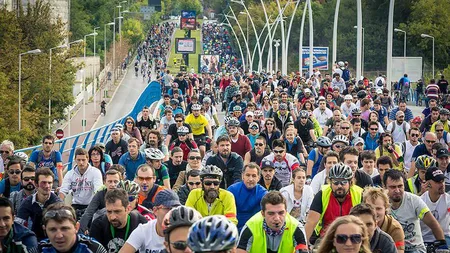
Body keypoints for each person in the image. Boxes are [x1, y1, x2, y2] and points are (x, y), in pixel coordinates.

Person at [383, 169, 448, 252]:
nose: (397, 190)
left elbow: (433, 223)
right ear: (384, 186)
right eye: (392, 187)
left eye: (400, 186)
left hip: (415, 249)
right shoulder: (380, 204)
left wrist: (442, 244)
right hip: (391, 249)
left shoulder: (414, 200)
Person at [305, 163, 363, 244]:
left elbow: (365, 222)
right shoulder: (322, 194)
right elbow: (311, 222)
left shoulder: (360, 194)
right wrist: (303, 245)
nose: (339, 186)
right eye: (335, 182)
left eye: (343, 182)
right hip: (327, 237)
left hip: (352, 238)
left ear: (350, 182)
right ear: (330, 182)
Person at [237, 191, 308, 253]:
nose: (277, 218)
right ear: (263, 214)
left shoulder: (296, 227)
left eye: (281, 213)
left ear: (286, 212)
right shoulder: (250, 227)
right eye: (271, 213)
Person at [89, 188, 148, 252]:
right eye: (109, 212)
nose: (112, 217)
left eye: (117, 211)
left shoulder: (142, 224)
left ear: (128, 209)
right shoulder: (98, 225)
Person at [37, 202, 107, 253]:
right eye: (52, 229)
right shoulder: (39, 250)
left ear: (76, 228)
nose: (59, 236)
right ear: (45, 229)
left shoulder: (94, 249)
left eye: (64, 229)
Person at [16, 167, 61, 241]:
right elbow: (18, 225)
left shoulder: (57, 203)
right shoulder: (27, 202)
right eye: (43, 183)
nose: (47, 186)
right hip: (32, 239)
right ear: (36, 184)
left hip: (53, 240)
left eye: (49, 183)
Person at [59, 148, 103, 216]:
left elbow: (98, 190)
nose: (81, 163)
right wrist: (59, 206)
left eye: (83, 160)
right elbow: (63, 190)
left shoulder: (96, 172)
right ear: (75, 160)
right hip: (75, 205)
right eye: (78, 160)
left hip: (90, 205)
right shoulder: (70, 174)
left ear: (88, 159)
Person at [79, 169, 123, 233]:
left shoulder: (124, 194)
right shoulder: (99, 195)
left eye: (116, 181)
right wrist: (80, 233)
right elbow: (88, 213)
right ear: (104, 182)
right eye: (110, 181)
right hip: (104, 227)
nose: (113, 184)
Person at [363, 186, 405, 253]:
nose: (374, 212)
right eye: (370, 208)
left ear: (386, 209)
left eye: (378, 208)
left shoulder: (395, 228)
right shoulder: (358, 224)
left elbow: (399, 251)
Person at [228, 163, 267, 231]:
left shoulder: (263, 193)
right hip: (234, 229)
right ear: (242, 176)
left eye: (254, 176)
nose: (250, 179)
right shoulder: (232, 190)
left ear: (258, 178)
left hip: (255, 230)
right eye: (248, 175)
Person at [420, 166, 450, 247]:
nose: (442, 184)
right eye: (438, 182)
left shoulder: (448, 199)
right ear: (428, 184)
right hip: (425, 239)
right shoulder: (420, 201)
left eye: (443, 181)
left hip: (445, 237)